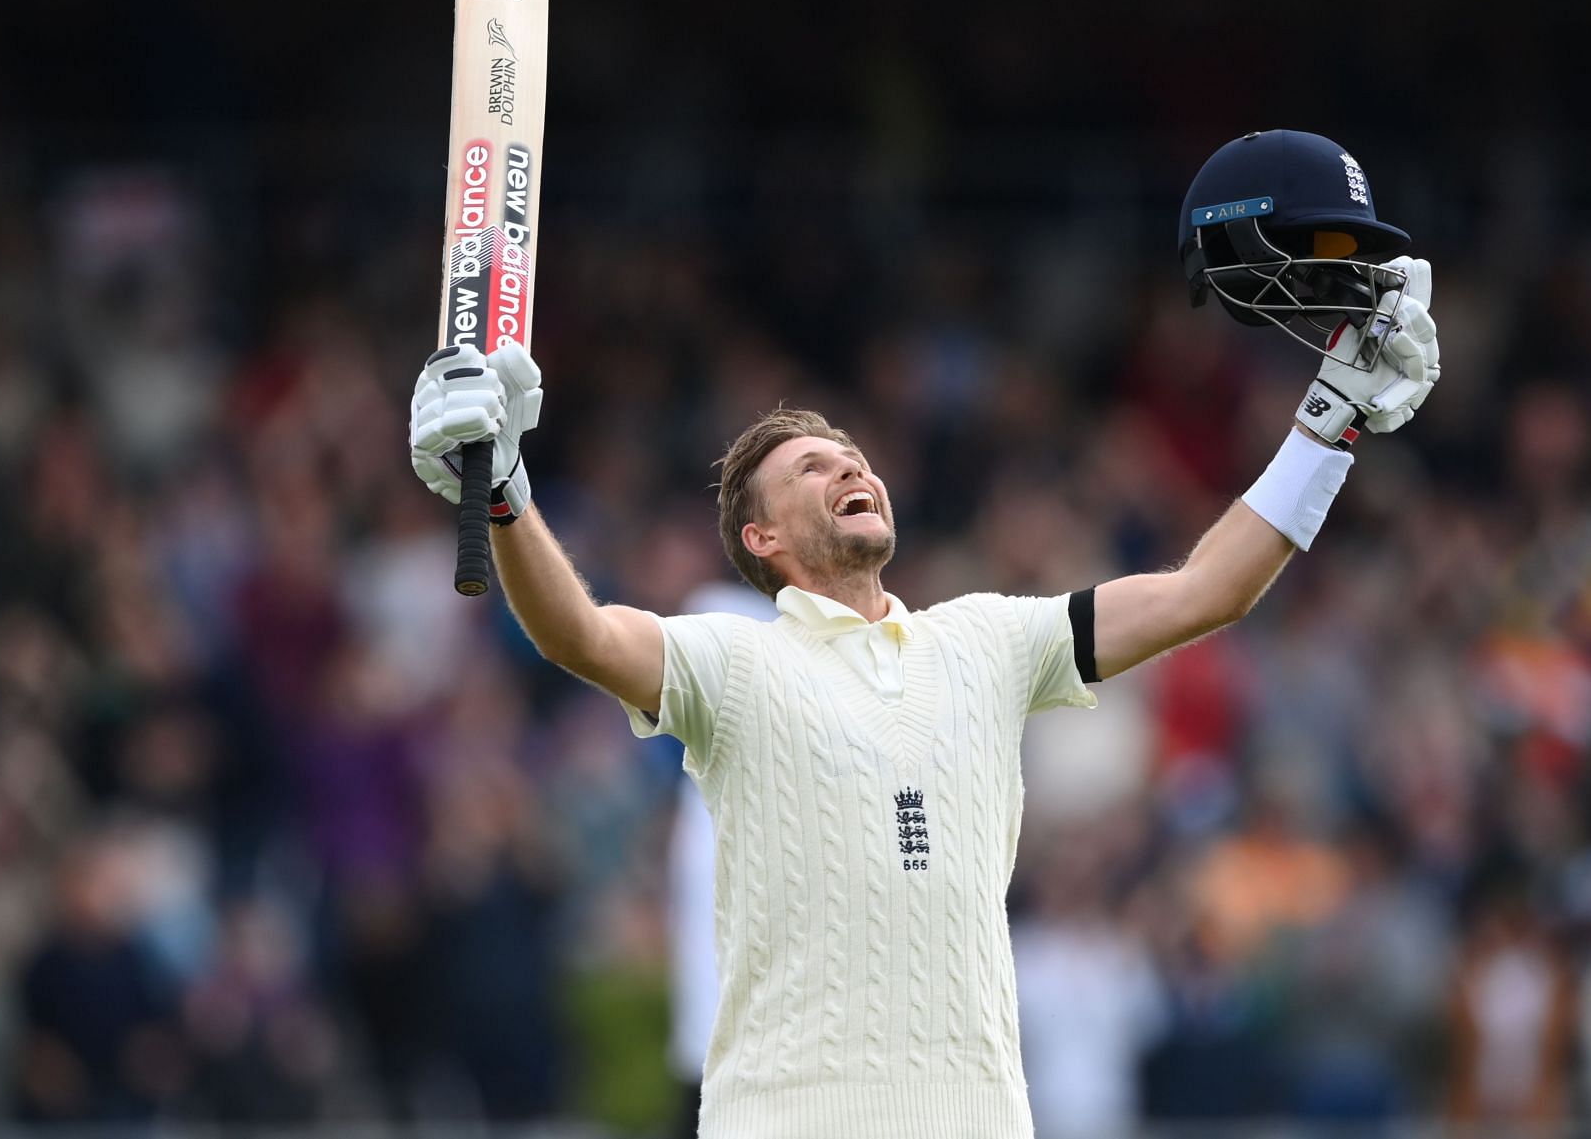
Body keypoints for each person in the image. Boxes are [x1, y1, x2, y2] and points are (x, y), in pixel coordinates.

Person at [406, 129, 1441, 1138]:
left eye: (852, 456)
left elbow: (1204, 592)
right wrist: (500, 490)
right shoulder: (733, 659)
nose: (848, 469)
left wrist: (1331, 418)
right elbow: (578, 634)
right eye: (810, 469)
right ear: (760, 539)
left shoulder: (989, 641)